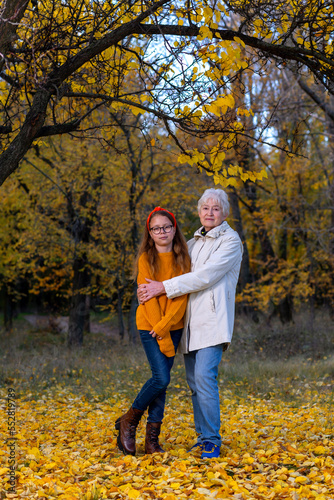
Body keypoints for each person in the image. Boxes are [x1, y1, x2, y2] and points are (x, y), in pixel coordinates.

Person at [138, 188, 243, 459]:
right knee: (194, 384)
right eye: (205, 208)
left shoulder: (230, 241)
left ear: (225, 213)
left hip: (212, 322)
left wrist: (162, 287)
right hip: (187, 324)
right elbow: (169, 269)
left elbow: (205, 277)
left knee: (205, 378)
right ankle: (202, 436)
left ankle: (211, 440)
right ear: (198, 212)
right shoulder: (193, 243)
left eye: (216, 208)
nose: (210, 213)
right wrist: (146, 288)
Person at [115, 207, 191, 456]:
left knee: (162, 384)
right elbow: (146, 298)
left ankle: (151, 442)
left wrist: (166, 328)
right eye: (157, 228)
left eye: (167, 227)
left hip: (173, 325)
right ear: (150, 232)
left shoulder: (183, 258)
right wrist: (159, 330)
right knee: (161, 378)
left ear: (174, 229)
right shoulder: (146, 259)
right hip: (149, 325)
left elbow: (182, 298)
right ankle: (129, 420)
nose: (162, 232)